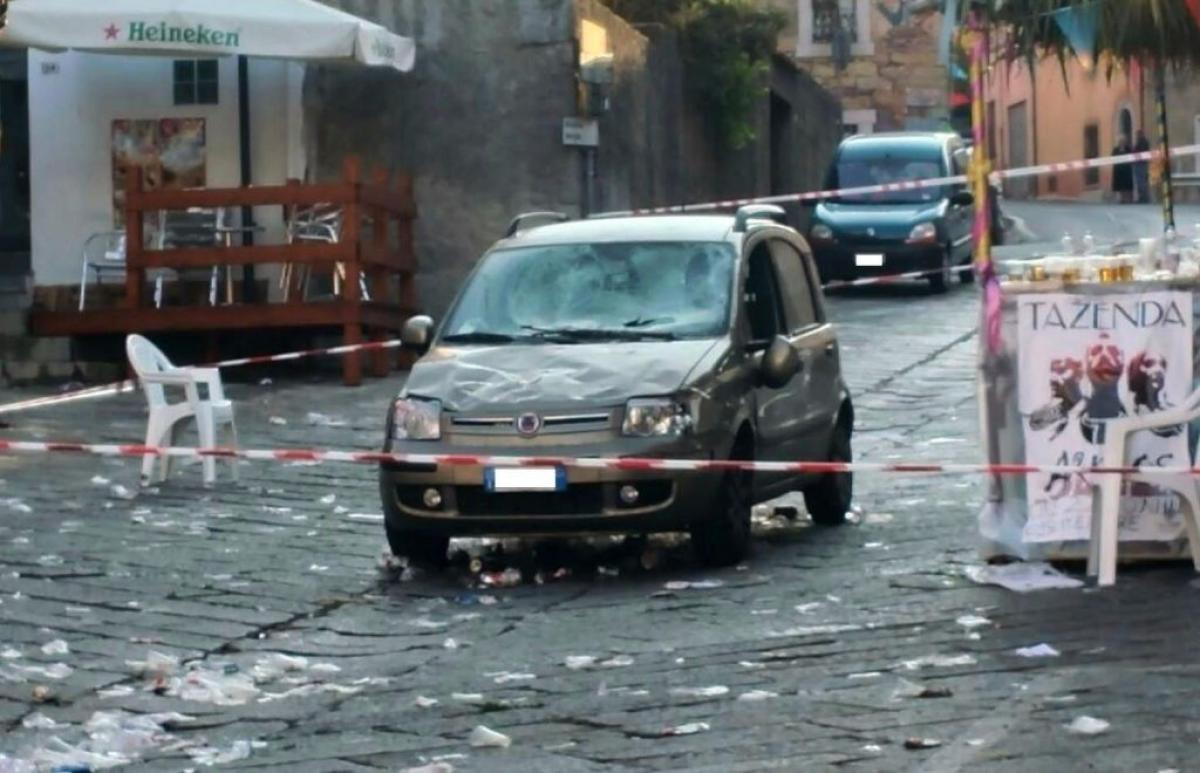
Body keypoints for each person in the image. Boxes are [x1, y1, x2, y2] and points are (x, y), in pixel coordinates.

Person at [1111, 134, 1134, 204]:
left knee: (1127, 185)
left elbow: (1131, 156)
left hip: (1126, 169)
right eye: (1121, 141)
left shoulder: (1128, 149)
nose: (1122, 142)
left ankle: (1128, 199)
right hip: (1118, 169)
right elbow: (1112, 157)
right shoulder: (1115, 149)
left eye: (1123, 141)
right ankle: (1121, 199)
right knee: (1120, 185)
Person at [1133, 129, 1152, 203]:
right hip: (1141, 163)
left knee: (1141, 181)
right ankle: (1143, 197)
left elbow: (1139, 152)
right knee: (1141, 181)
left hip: (1141, 163)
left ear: (1140, 135)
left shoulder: (1142, 142)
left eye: (1138, 134)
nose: (1137, 136)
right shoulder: (1142, 142)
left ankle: (1143, 198)